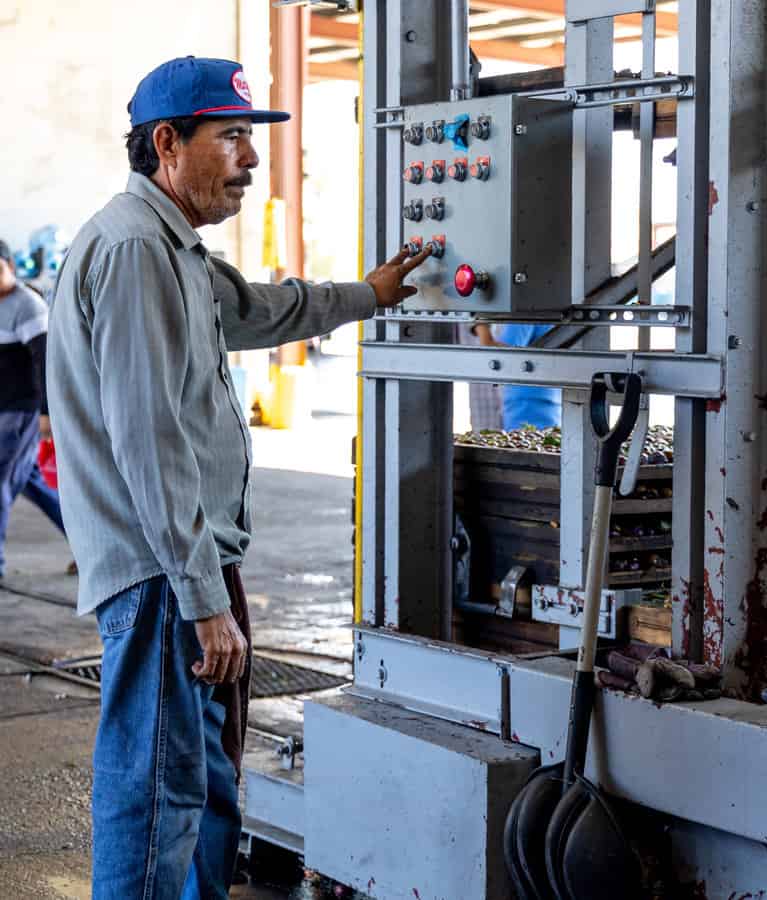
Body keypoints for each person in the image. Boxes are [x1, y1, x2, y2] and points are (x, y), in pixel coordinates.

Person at [46, 57, 432, 900]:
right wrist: (202, 598)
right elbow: (150, 440)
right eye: (231, 138)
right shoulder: (133, 249)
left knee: (210, 785)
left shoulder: (173, 246)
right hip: (161, 575)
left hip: (193, 564)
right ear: (166, 144)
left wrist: (370, 294)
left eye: (250, 138)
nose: (250, 159)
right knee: (157, 798)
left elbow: (259, 310)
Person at [0, 239, 70, 580]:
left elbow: (46, 362)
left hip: (19, 413)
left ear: (11, 267)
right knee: (33, 484)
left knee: (1, 483)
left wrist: (46, 413)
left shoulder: (28, 306)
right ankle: (89, 545)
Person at [476, 323, 562, 429]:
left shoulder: (524, 313)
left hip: (527, 404)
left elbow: (504, 358)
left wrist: (480, 324)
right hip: (546, 400)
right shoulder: (546, 311)